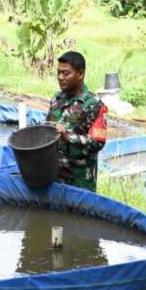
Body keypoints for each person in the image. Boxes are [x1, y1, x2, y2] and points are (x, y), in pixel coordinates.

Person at [46, 51, 107, 191]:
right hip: (55, 178)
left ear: (80, 74)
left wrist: (68, 137)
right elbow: (48, 131)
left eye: (66, 73)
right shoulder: (57, 100)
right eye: (59, 73)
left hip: (80, 182)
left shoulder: (94, 104)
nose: (61, 77)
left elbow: (98, 142)